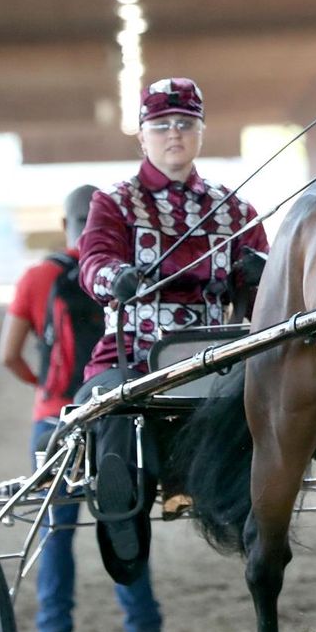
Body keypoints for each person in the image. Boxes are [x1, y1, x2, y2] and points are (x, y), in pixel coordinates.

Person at [76, 78, 270, 584]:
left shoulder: (235, 209)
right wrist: (111, 277)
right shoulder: (114, 203)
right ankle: (122, 514)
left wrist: (260, 274)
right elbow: (93, 259)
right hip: (133, 355)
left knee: (285, 391)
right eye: (161, 126)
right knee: (109, 400)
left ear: (201, 132)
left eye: (185, 124)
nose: (174, 135)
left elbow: (268, 288)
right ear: (143, 136)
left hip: (215, 360)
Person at [0, 184, 163, 632]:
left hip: (55, 419)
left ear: (63, 224)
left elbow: (7, 354)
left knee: (56, 532)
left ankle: (54, 629)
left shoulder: (37, 278)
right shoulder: (125, 276)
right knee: (124, 521)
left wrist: (43, 386)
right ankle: (144, 626)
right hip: (113, 416)